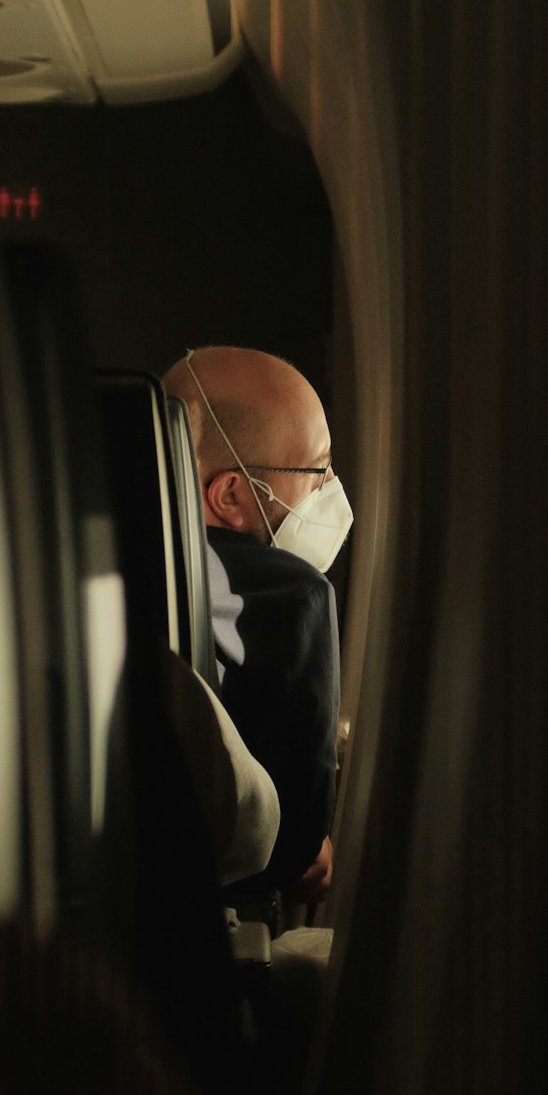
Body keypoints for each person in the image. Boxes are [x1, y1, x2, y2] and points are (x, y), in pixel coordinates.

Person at [162, 346, 353, 910]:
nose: (330, 489)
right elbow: (298, 856)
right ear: (231, 495)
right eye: (318, 470)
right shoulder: (293, 594)